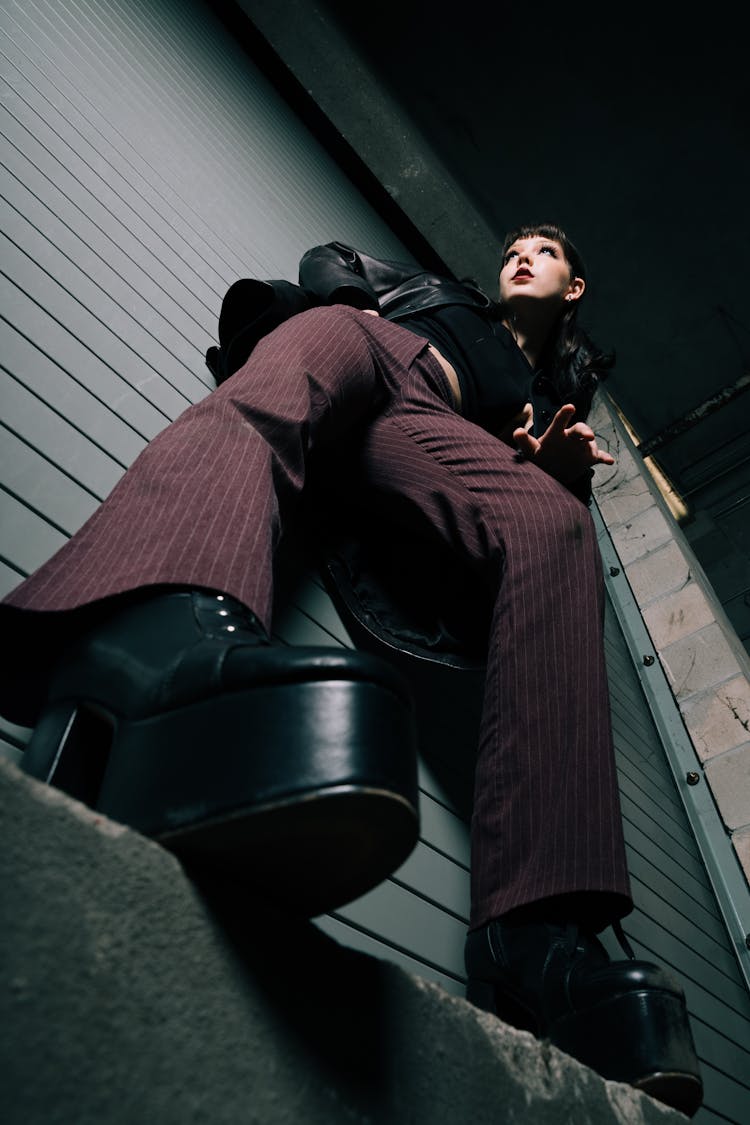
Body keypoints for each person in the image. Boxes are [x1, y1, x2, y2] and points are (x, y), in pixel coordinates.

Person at [0, 223, 702, 1114]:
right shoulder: (441, 297)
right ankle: (147, 631)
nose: (521, 256)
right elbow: (328, 258)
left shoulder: (538, 390)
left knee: (557, 527)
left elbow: (511, 486)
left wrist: (550, 471)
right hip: (378, 349)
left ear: (573, 291)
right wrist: (357, 306)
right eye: (515, 247)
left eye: (546, 253)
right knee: (298, 361)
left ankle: (537, 929)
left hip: (433, 431)